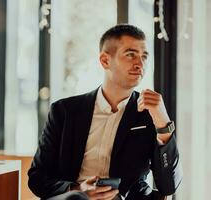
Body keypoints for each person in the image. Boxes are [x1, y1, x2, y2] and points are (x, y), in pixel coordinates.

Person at [28, 24, 182, 200]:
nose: (140, 64)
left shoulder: (151, 114)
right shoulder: (64, 111)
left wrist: (163, 125)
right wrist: (77, 188)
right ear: (105, 60)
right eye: (131, 54)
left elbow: (168, 186)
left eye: (144, 56)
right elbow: (37, 178)